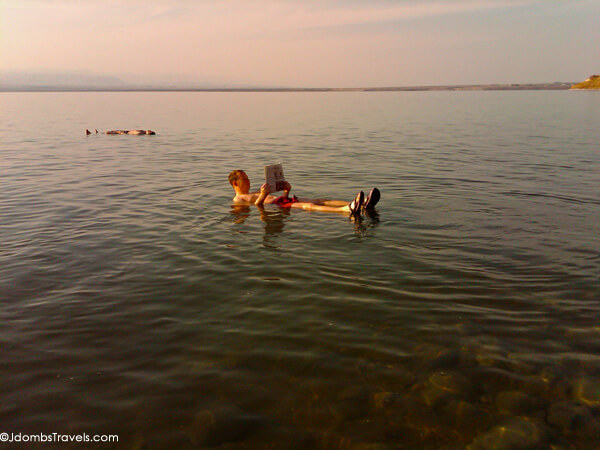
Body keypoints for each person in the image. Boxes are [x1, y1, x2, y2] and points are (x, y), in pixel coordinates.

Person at [228, 169, 380, 215]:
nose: (248, 180)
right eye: (244, 179)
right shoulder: (239, 199)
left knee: (320, 200)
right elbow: (257, 206)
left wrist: (286, 191)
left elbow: (268, 200)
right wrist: (262, 196)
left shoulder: (253, 191)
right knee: (309, 206)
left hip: (282, 201)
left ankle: (361, 205)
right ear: (235, 183)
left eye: (247, 178)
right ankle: (346, 209)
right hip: (277, 206)